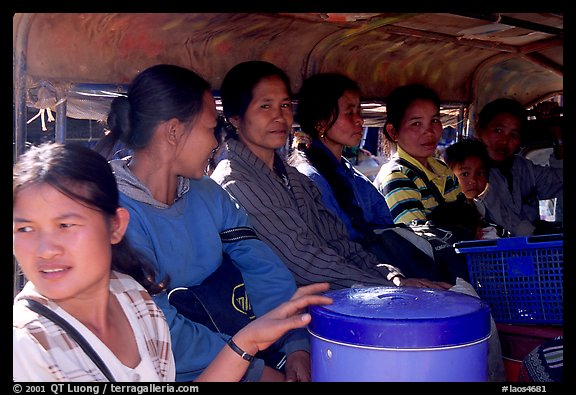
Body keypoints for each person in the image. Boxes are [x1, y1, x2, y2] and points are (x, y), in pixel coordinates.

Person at [13, 142, 334, 382]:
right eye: (24, 228)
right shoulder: (26, 346)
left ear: (116, 226)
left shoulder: (132, 296)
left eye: (65, 225)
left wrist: (247, 342)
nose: (45, 250)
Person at [96, 64, 311, 382]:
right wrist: (253, 369)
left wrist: (295, 344)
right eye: (211, 129)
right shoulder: (114, 214)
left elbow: (262, 267)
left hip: (247, 351)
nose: (216, 143)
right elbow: (158, 326)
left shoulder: (209, 194)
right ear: (173, 132)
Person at [210, 60, 451, 291]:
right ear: (235, 118)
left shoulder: (295, 179)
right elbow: (304, 262)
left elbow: (340, 244)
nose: (279, 116)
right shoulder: (237, 182)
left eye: (284, 105)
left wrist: (393, 277)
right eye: (265, 106)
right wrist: (386, 287)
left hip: (335, 288)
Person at [287, 72, 462, 283]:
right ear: (321, 122)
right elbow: (339, 250)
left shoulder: (353, 175)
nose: (360, 120)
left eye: (359, 111)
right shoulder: (309, 179)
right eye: (349, 113)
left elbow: (386, 229)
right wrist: (394, 280)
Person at [372, 83, 464, 225]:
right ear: (393, 132)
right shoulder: (397, 178)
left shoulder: (443, 170)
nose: (429, 131)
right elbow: (417, 240)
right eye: (416, 124)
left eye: (434, 121)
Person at [474, 97, 563, 236]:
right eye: (498, 130)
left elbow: (559, 182)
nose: (504, 141)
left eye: (514, 134)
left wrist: (557, 137)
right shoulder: (470, 172)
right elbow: (507, 223)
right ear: (480, 130)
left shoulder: (522, 168)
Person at [443, 138, 510, 239]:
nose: (473, 180)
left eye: (480, 174)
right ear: (447, 176)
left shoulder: (480, 206)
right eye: (464, 174)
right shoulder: (449, 211)